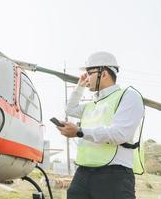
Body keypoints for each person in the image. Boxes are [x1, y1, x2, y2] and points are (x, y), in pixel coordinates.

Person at [57, 51, 145, 199]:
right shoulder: (92, 104)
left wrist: (79, 131)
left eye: (89, 73)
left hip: (114, 174)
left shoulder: (129, 96)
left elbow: (119, 134)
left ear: (103, 74)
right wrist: (79, 86)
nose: (86, 77)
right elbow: (69, 109)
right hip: (84, 172)